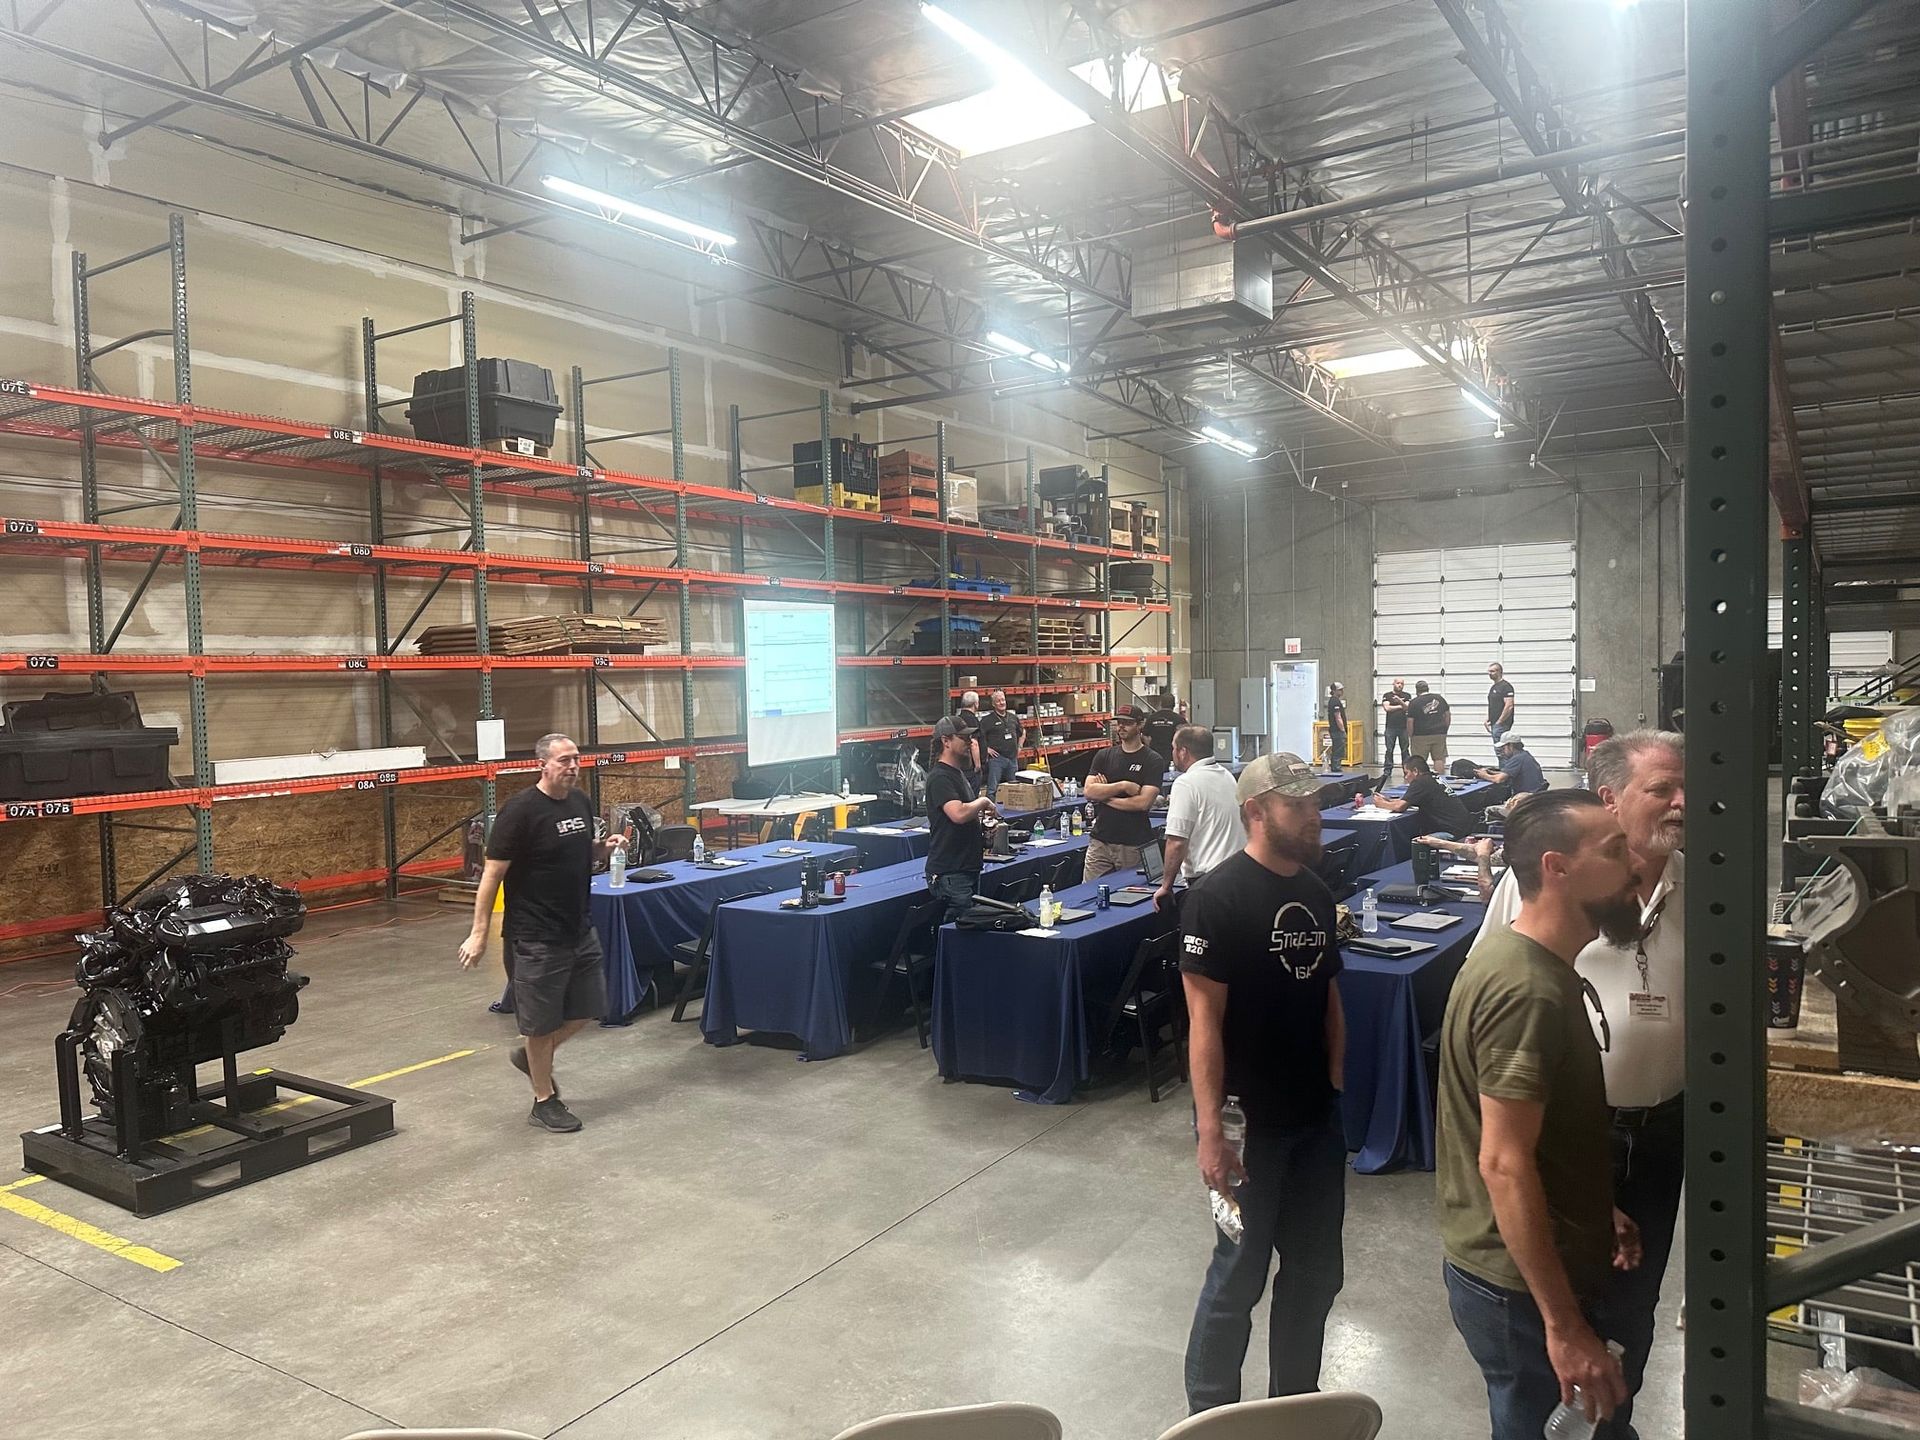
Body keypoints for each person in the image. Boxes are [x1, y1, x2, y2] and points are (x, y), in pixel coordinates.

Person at [1479, 731, 1686, 1438]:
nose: (1681, 802)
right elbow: (1494, 987)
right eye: (1662, 789)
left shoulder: (1702, 882)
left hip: (1662, 1132)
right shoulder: (1543, 884)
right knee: (1558, 1310)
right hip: (1569, 1133)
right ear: (1611, 799)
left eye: (1685, 788)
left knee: (1634, 1308)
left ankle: (1612, 1426)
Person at [1437, 790, 1647, 1440]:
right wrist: (1564, 1327)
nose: (1636, 865)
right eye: (1615, 851)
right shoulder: (1528, 990)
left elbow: (1534, 1137)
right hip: (1516, 1290)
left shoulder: (1525, 960)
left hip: (1527, 1270)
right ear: (1557, 868)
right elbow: (1503, 1163)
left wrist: (1592, 1208)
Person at [1179, 750, 1347, 1412]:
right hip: (1248, 1132)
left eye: (1314, 802)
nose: (1313, 815)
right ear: (1255, 811)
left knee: (1315, 1276)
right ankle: (1211, 1416)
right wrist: (1210, 1132)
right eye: (1296, 805)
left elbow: (1329, 998)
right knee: (1237, 1279)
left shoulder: (1316, 891)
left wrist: (1335, 1088)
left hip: (1316, 1124)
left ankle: (1293, 1406)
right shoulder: (1215, 898)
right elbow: (1203, 1025)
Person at [459, 733, 616, 1133]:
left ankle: (531, 1059)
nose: (573, 767)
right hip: (535, 937)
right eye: (564, 760)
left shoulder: (580, 802)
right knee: (540, 1025)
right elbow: (492, 874)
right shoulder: (520, 811)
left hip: (579, 928)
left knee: (589, 1007)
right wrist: (479, 932)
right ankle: (543, 1101)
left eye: (576, 759)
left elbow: (578, 851)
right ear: (541, 765)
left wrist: (602, 850)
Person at [1154, 723, 1245, 908]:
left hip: (1209, 884)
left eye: (1174, 748)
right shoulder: (1226, 776)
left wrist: (1166, 886)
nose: (1172, 753)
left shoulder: (1186, 783)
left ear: (1183, 752)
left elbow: (1177, 842)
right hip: (1237, 874)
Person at [926, 715, 996, 919]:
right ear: (946, 741)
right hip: (951, 872)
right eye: (963, 738)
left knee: (971, 925)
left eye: (970, 737)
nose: (970, 742)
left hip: (966, 868)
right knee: (961, 927)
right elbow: (958, 814)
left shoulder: (957, 774)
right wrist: (983, 802)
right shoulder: (940, 777)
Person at [1083, 704, 1164, 880]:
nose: (1121, 726)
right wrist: (1123, 786)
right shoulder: (1104, 756)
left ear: (1140, 725)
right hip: (1100, 842)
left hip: (1133, 844)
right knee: (1089, 890)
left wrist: (1105, 797)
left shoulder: (1152, 760)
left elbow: (1142, 803)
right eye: (1118, 722)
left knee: (1133, 890)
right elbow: (1088, 791)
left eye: (1127, 723)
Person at [1366, 754, 1475, 839]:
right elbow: (1408, 801)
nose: (1405, 777)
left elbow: (1400, 807)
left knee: (1417, 842)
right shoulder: (1433, 778)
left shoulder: (1420, 782)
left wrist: (1381, 804)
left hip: (1451, 832)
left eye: (1406, 773)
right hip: (1463, 827)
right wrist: (1389, 801)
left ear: (1415, 771)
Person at [976, 689, 1022, 800]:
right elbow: (978, 738)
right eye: (998, 701)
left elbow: (1022, 732)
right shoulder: (987, 720)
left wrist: (1019, 746)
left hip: (1012, 759)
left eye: (1003, 700)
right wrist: (986, 749)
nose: (1002, 703)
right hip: (997, 759)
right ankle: (990, 808)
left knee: (1014, 789)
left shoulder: (1013, 717)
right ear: (993, 704)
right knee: (992, 789)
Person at [1477, 733, 1548, 800]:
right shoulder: (1525, 755)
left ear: (1510, 746)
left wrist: (1484, 775)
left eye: (1503, 748)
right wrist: (1491, 772)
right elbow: (1508, 773)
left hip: (1526, 797)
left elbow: (1499, 779)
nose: (1502, 751)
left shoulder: (1517, 759)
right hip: (1535, 795)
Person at [1409, 680, 1452, 766]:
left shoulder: (1414, 702)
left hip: (1420, 735)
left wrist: (1411, 735)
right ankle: (1440, 775)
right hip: (1439, 733)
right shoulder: (1439, 698)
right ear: (1428, 688)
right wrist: (1444, 729)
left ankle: (1421, 775)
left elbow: (1410, 721)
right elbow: (1447, 715)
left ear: (1417, 690)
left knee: (1419, 761)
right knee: (1439, 759)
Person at [1379, 678, 1412, 780]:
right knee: (1389, 750)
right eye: (1398, 683)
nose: (1399, 685)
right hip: (1390, 728)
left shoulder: (1407, 695)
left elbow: (1407, 708)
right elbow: (1387, 708)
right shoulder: (1387, 695)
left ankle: (1407, 771)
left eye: (1402, 683)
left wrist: (1399, 701)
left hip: (1403, 728)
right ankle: (1387, 771)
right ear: (1393, 684)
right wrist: (1401, 705)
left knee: (1405, 750)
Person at [1144, 692, 1181, 765]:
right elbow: (1184, 737)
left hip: (1155, 755)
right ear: (1174, 704)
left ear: (1161, 704)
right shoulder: (1179, 719)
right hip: (1172, 756)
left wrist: (1150, 746)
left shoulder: (1152, 718)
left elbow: (1144, 735)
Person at [954, 689, 985, 778]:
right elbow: (973, 743)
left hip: (962, 763)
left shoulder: (958, 719)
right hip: (971, 768)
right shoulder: (972, 720)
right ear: (976, 704)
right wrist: (978, 765)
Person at [1486, 662, 1516, 750]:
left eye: (1492, 671)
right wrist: (1488, 719)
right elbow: (1493, 705)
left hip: (1502, 725)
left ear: (1499, 672)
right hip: (1494, 724)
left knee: (1502, 751)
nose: (1490, 673)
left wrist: (1499, 722)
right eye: (1489, 671)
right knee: (1498, 751)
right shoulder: (1494, 687)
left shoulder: (1505, 686)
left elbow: (1509, 706)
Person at [1325, 682, 1348, 767]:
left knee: (1337, 749)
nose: (1342, 692)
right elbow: (1338, 717)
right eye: (1340, 690)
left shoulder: (1335, 700)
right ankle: (1336, 767)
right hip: (1337, 730)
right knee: (1338, 750)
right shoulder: (1334, 701)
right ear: (1334, 691)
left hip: (1336, 730)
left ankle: (1336, 766)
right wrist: (1342, 730)